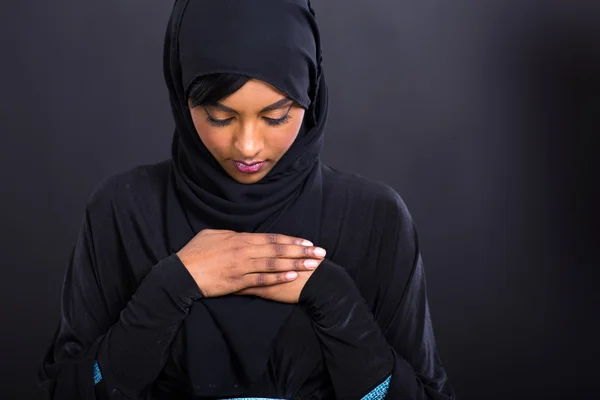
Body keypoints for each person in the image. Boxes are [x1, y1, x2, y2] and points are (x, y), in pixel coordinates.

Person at [39, 0, 455, 399]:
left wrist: (334, 298)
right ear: (182, 98)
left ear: (310, 96)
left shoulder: (374, 218)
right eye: (220, 117)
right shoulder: (122, 212)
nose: (248, 146)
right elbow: (69, 389)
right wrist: (169, 290)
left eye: (277, 116)